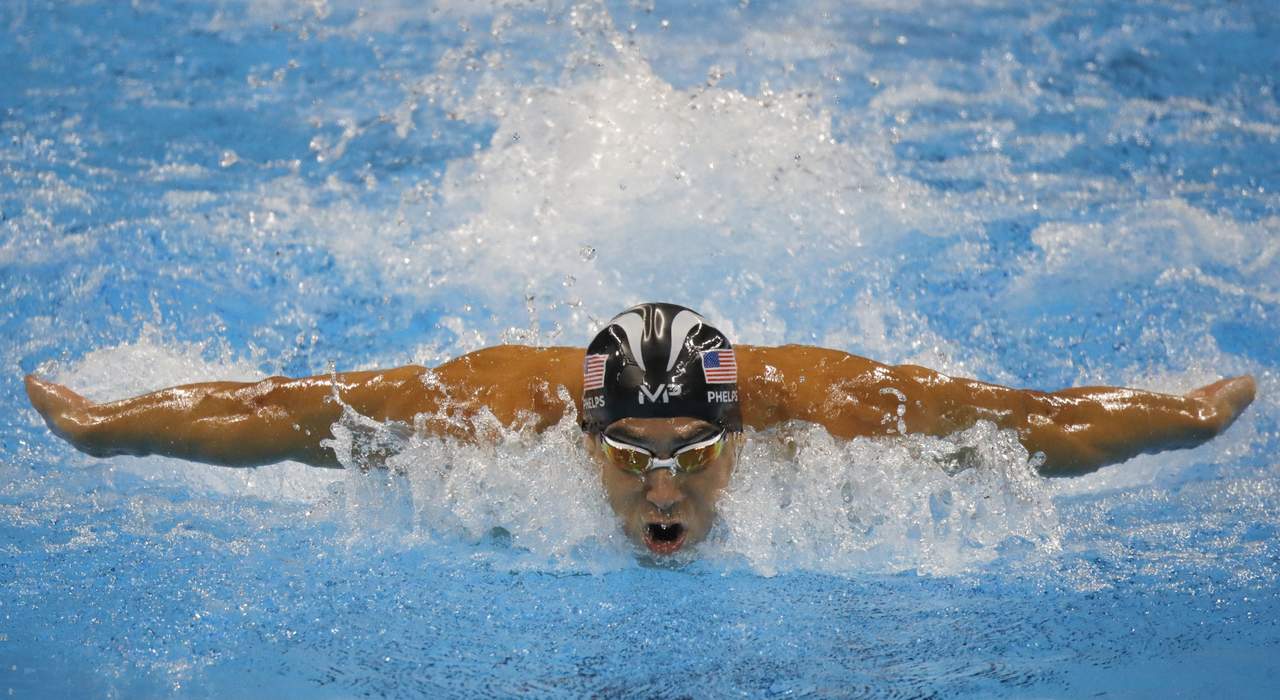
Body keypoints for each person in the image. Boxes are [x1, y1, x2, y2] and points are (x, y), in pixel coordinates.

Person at [24, 302, 1256, 556]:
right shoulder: (496, 404)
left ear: (739, 429)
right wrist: (107, 428)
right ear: (581, 433)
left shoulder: (824, 407)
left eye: (692, 453)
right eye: (628, 457)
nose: (662, 490)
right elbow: (281, 411)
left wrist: (1189, 417)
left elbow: (1029, 422)